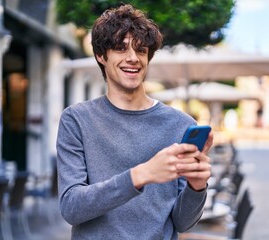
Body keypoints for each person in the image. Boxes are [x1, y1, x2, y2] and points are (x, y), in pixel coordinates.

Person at [56, 4, 213, 240]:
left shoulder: (181, 125)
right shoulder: (76, 120)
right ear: (101, 55)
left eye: (141, 50)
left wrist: (197, 186)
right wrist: (141, 175)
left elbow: (182, 223)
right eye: (120, 48)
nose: (133, 58)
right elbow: (71, 208)